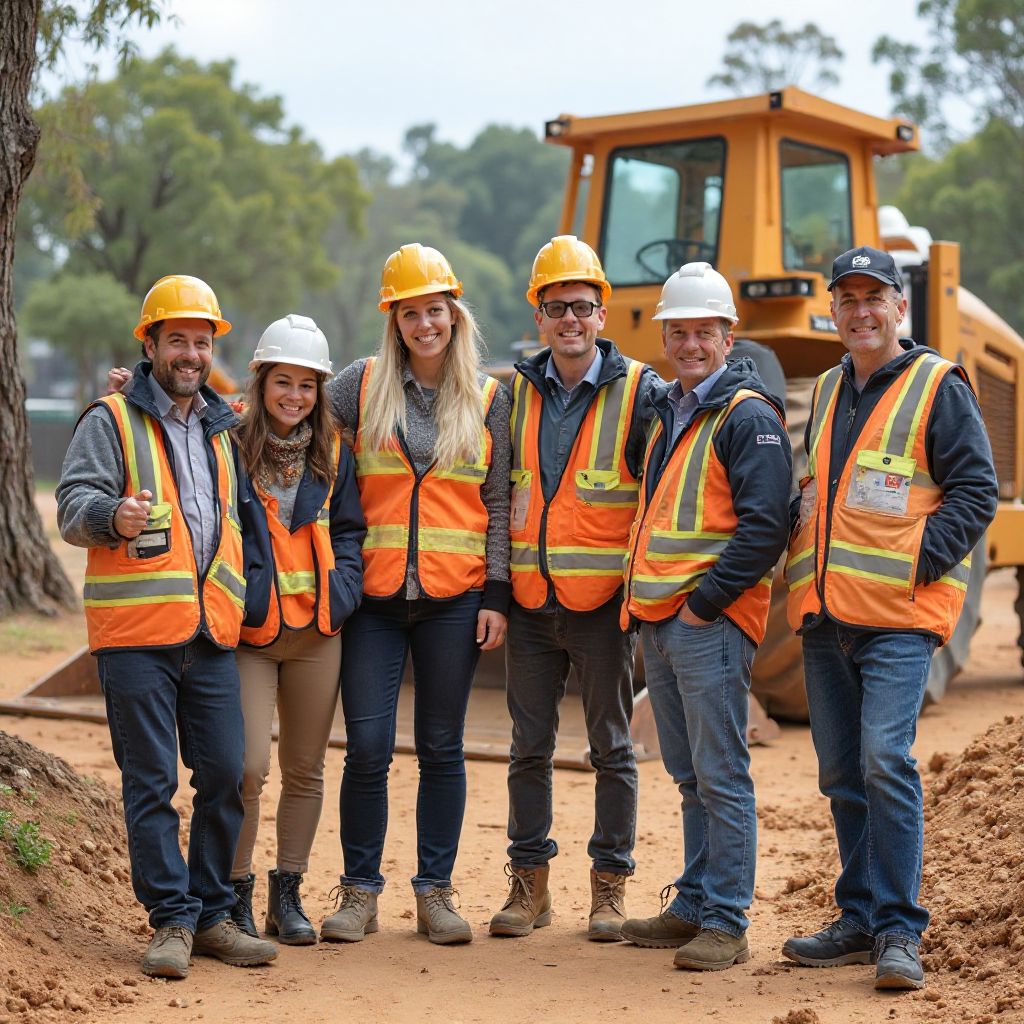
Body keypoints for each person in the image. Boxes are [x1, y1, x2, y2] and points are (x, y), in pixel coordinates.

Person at [782, 246, 998, 990]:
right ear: (833, 311)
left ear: (900, 307)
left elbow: (976, 492)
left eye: (875, 298)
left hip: (899, 620)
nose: (861, 311)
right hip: (826, 614)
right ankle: (858, 918)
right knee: (843, 773)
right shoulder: (830, 387)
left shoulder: (938, 386)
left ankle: (900, 931)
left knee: (885, 760)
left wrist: (915, 565)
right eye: (848, 299)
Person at [56, 275, 277, 979]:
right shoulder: (110, 420)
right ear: (149, 344)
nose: (189, 352)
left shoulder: (222, 425)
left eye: (201, 341)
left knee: (226, 773)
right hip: (137, 640)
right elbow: (70, 506)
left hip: (210, 635)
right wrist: (109, 517)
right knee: (150, 782)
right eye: (176, 339)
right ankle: (173, 922)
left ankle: (213, 913)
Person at [320, 243, 511, 945]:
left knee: (441, 747)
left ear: (453, 315)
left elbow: (497, 500)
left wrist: (496, 593)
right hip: (372, 600)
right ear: (394, 321)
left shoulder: (492, 398)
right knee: (367, 746)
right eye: (411, 314)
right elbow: (286, 410)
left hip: (454, 601)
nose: (424, 324)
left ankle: (435, 893)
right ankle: (359, 893)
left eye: (435, 310)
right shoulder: (360, 384)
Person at [619, 263, 792, 970]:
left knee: (721, 776)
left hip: (704, 625)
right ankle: (695, 901)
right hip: (663, 622)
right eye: (680, 331)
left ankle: (727, 918)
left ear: (729, 336)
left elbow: (764, 529)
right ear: (667, 335)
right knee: (691, 775)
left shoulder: (746, 415)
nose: (691, 343)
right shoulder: (675, 410)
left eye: (704, 332)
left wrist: (700, 608)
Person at [488, 235, 660, 942]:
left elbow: (658, 496)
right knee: (528, 748)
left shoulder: (640, 393)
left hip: (602, 613)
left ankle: (609, 887)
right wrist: (497, 593)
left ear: (601, 314)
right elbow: (497, 496)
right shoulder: (512, 395)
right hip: (530, 606)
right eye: (556, 307)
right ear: (539, 316)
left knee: (612, 750)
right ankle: (529, 888)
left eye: (582, 307)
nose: (569, 319)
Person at [227, 315, 365, 945]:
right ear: (261, 382)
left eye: (307, 385)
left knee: (305, 769)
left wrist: (343, 592)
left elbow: (353, 531)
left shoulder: (335, 451)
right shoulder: (227, 442)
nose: (295, 396)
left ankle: (288, 896)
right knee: (248, 767)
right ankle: (235, 896)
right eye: (283, 382)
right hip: (252, 633)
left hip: (318, 634)